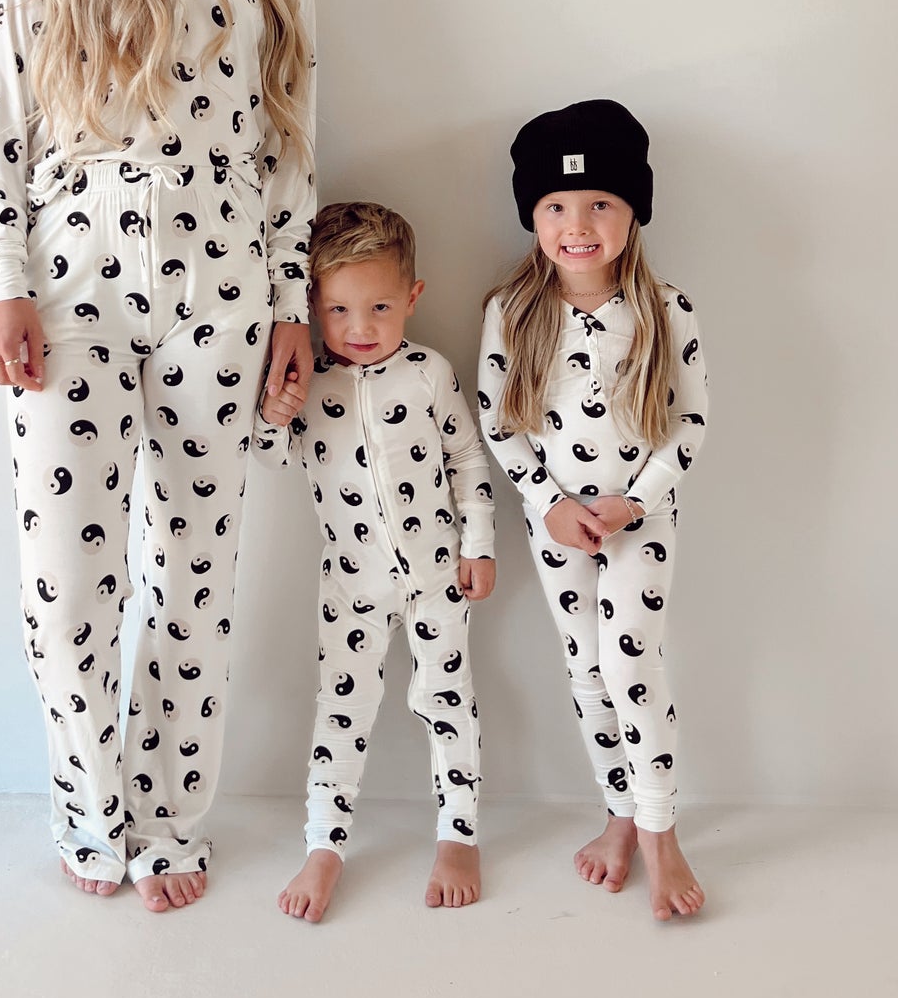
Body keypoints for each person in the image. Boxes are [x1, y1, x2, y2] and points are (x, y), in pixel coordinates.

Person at [0, 0, 316, 913]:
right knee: (68, 580)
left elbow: (290, 146)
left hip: (221, 297)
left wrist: (286, 307)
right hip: (74, 294)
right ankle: (89, 809)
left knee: (195, 576)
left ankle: (171, 819)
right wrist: (3, 282)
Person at [478, 100, 708, 920]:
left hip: (638, 523)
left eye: (600, 203)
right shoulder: (509, 311)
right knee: (584, 671)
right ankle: (616, 811)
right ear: (533, 216)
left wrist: (631, 502)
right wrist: (545, 503)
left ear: (631, 210)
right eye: (555, 207)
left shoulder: (665, 308)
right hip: (559, 530)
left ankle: (658, 830)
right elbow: (496, 420)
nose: (577, 223)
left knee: (630, 663)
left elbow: (689, 425)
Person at [255, 202, 497, 922]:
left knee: (447, 702)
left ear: (412, 297)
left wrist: (477, 543)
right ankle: (325, 844)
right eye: (337, 309)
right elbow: (267, 458)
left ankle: (458, 832)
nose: (359, 328)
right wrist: (273, 414)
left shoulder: (427, 373)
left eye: (379, 306)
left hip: (434, 579)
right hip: (350, 586)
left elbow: (466, 458)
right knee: (340, 709)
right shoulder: (310, 385)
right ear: (311, 306)